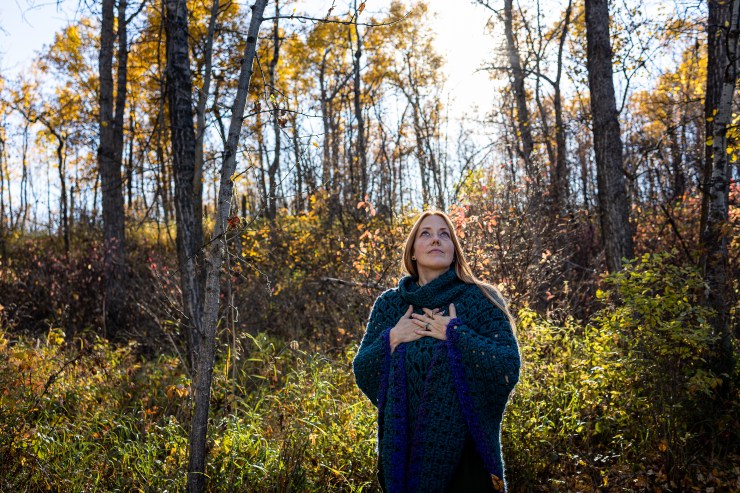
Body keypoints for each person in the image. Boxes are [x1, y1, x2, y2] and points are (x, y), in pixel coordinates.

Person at [353, 210, 521, 493]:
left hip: (468, 461)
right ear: (412, 251)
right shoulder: (390, 305)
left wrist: (455, 335)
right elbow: (363, 370)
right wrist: (392, 339)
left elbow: (507, 367)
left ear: (454, 250)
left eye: (445, 234)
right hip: (402, 450)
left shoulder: (481, 298)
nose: (436, 240)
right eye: (426, 234)